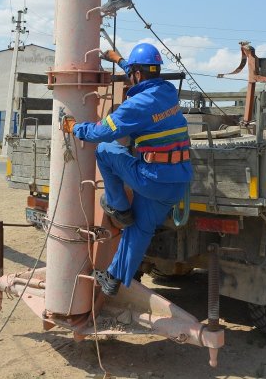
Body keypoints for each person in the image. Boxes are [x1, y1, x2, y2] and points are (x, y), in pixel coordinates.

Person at [63, 43, 192, 297]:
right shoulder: (167, 92)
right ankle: (112, 278)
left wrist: (74, 128)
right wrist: (119, 59)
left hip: (152, 178)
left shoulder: (137, 105)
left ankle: (119, 207)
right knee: (141, 227)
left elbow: (102, 132)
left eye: (131, 72)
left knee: (105, 150)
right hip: (178, 182)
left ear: (138, 74)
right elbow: (144, 77)